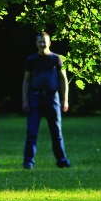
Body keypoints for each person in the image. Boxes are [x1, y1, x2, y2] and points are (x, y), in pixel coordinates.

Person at [22, 32, 72, 169]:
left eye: (44, 41)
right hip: (35, 98)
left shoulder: (56, 59)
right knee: (31, 132)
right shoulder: (31, 60)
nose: (42, 44)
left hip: (52, 98)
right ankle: (28, 162)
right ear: (36, 43)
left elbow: (63, 79)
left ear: (50, 43)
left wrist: (65, 99)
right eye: (40, 41)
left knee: (56, 132)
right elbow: (26, 81)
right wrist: (24, 100)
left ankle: (62, 160)